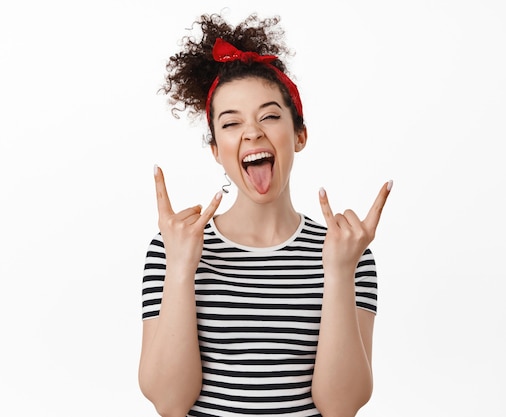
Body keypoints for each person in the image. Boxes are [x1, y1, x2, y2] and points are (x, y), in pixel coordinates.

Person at [138, 12, 392, 417]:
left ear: (299, 135)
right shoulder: (171, 249)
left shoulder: (348, 252)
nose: (252, 132)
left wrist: (340, 272)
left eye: (270, 116)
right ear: (217, 151)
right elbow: (169, 402)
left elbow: (341, 406)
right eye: (231, 123)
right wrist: (181, 268)